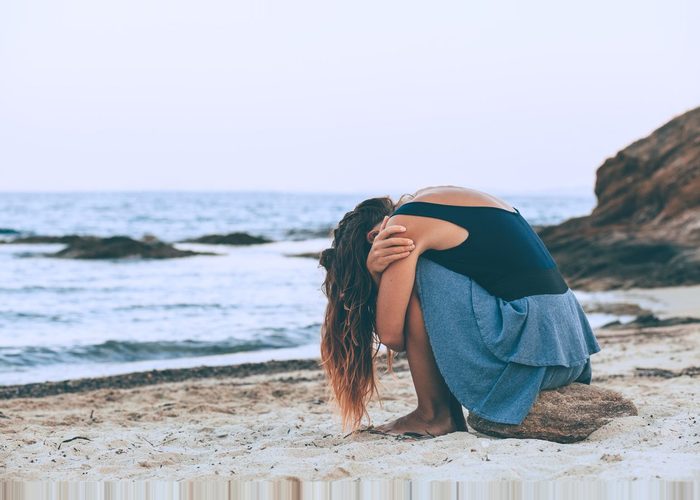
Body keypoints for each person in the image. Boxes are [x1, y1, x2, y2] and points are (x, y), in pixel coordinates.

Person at [319, 185, 600, 438]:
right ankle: (440, 411)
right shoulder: (438, 200)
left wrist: (376, 273)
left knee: (417, 270)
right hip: (569, 354)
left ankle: (435, 414)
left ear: (373, 236)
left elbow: (393, 335)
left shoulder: (400, 228)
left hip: (529, 360)